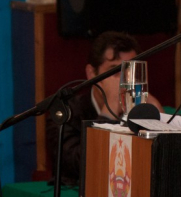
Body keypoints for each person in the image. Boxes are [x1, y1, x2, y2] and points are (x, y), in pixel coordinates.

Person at [46, 31, 163, 185]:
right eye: (114, 71)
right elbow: (78, 167)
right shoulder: (67, 113)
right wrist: (109, 113)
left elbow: (159, 167)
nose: (124, 81)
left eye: (130, 71)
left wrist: (160, 122)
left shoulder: (142, 110)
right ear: (92, 73)